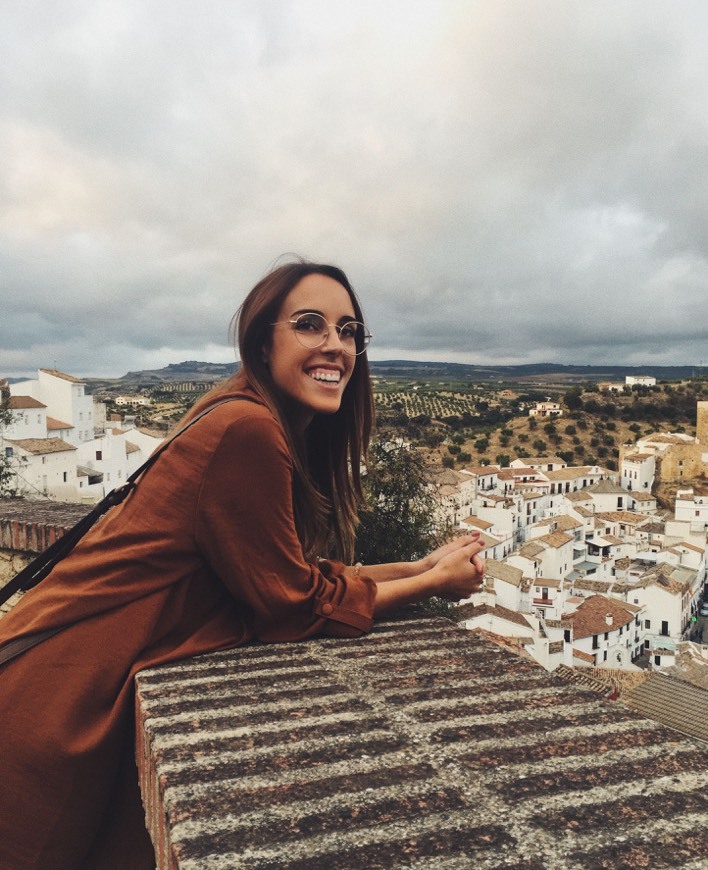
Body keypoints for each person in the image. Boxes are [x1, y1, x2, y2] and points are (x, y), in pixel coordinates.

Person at [0, 259, 485, 869]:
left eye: (349, 330)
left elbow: (294, 576)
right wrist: (432, 585)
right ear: (263, 341)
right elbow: (296, 607)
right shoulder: (247, 430)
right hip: (58, 701)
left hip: (57, 682)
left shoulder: (241, 413)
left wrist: (417, 566)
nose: (335, 345)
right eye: (310, 325)